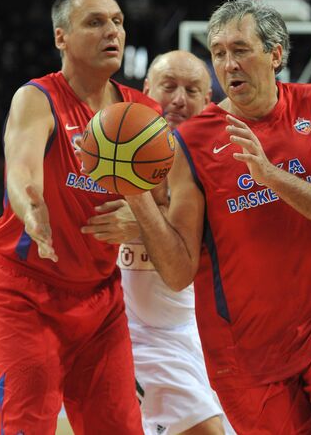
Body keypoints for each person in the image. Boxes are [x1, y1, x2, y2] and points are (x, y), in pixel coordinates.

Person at [123, 0, 311, 434]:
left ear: (275, 54)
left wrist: (271, 176)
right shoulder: (192, 142)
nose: (228, 63)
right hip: (243, 351)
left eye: (240, 49)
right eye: (218, 53)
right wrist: (136, 197)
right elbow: (178, 272)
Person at [0, 0, 165, 434]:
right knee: (25, 425)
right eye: (95, 22)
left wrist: (144, 220)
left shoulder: (143, 113)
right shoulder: (37, 98)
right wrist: (31, 209)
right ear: (61, 37)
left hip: (101, 300)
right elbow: (21, 169)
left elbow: (172, 207)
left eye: (117, 22)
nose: (112, 30)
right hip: (26, 292)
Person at [82, 50, 235, 434]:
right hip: (138, 333)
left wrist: (142, 223)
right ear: (147, 90)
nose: (179, 99)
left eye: (192, 90)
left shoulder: (222, 162)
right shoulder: (105, 147)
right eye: (168, 87)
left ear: (208, 103)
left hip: (202, 333)